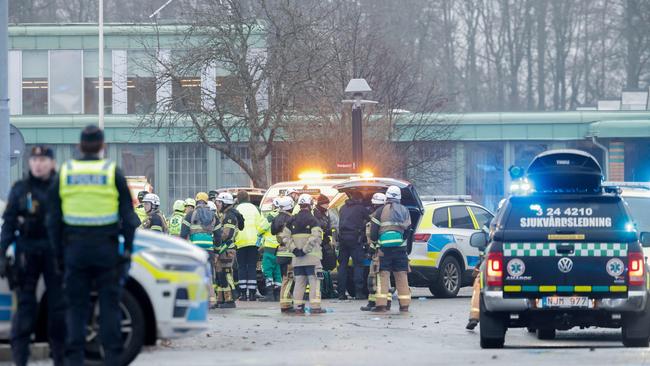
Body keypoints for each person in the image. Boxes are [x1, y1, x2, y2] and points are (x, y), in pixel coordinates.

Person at [47, 125, 138, 365]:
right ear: (102, 146)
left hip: (74, 252)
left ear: (79, 146)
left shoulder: (65, 172)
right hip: (105, 251)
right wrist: (127, 250)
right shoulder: (111, 172)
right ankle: (112, 359)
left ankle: (75, 359)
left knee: (76, 308)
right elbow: (129, 219)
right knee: (109, 305)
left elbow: (53, 220)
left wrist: (58, 255)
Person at [0, 146, 65, 366]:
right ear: (29, 163)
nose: (38, 164)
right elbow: (8, 225)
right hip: (26, 253)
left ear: (52, 163)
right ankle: (20, 361)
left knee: (58, 311)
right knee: (25, 311)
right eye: (34, 159)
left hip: (55, 253)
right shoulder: (20, 189)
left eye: (43, 159)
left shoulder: (62, 188)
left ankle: (60, 360)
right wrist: (1, 253)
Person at [369, 185, 412, 313]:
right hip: (400, 249)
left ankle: (381, 306)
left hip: (384, 250)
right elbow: (408, 229)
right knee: (402, 277)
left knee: (383, 277)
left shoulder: (380, 211)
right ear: (399, 197)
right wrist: (401, 240)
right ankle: (404, 305)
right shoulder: (404, 210)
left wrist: (375, 244)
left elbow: (373, 232)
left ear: (387, 196)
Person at [281, 194, 325, 314]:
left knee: (299, 283)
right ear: (310, 205)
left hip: (297, 259)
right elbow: (315, 237)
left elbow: (285, 237)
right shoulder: (313, 220)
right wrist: (305, 250)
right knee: (314, 282)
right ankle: (315, 307)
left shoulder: (291, 220)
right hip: (312, 259)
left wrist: (294, 250)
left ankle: (298, 307)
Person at [181, 192, 221, 305]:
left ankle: (197, 300)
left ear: (196, 201)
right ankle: (211, 300)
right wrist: (217, 251)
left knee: (195, 274)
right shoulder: (214, 216)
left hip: (195, 250)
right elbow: (218, 236)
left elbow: (183, 234)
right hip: (209, 249)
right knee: (209, 274)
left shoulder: (190, 215)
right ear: (207, 201)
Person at [337, 191, 369, 300]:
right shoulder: (361, 208)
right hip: (356, 240)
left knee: (342, 266)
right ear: (360, 199)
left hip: (342, 239)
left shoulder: (342, 208)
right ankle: (359, 292)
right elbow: (370, 220)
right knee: (358, 265)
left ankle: (341, 293)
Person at [360, 193, 389, 311]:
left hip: (378, 251)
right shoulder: (386, 215)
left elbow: (374, 236)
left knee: (376, 277)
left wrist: (371, 248)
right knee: (379, 278)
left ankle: (378, 303)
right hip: (382, 250)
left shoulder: (377, 217)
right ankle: (375, 302)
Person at [213, 192, 243, 308]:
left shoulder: (229, 216)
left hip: (227, 249)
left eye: (219, 202)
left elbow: (226, 234)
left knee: (226, 274)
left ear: (225, 203)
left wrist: (216, 237)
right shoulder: (225, 214)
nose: (217, 204)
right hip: (223, 248)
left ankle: (230, 300)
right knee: (220, 274)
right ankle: (222, 299)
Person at [234, 191, 261, 301]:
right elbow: (260, 225)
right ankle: (253, 293)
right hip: (254, 242)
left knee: (241, 267)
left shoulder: (236, 209)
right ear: (248, 198)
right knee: (251, 267)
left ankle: (243, 293)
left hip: (240, 241)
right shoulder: (255, 208)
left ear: (238, 199)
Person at [272, 197, 295, 312]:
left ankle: (287, 302)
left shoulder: (276, 219)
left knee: (284, 278)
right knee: (289, 279)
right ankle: (286, 305)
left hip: (280, 253)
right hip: (289, 253)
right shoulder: (291, 219)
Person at [257, 198, 283, 302]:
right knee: (277, 271)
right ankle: (278, 294)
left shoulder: (271, 216)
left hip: (269, 248)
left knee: (267, 271)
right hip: (280, 248)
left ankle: (270, 294)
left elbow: (261, 229)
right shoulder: (284, 216)